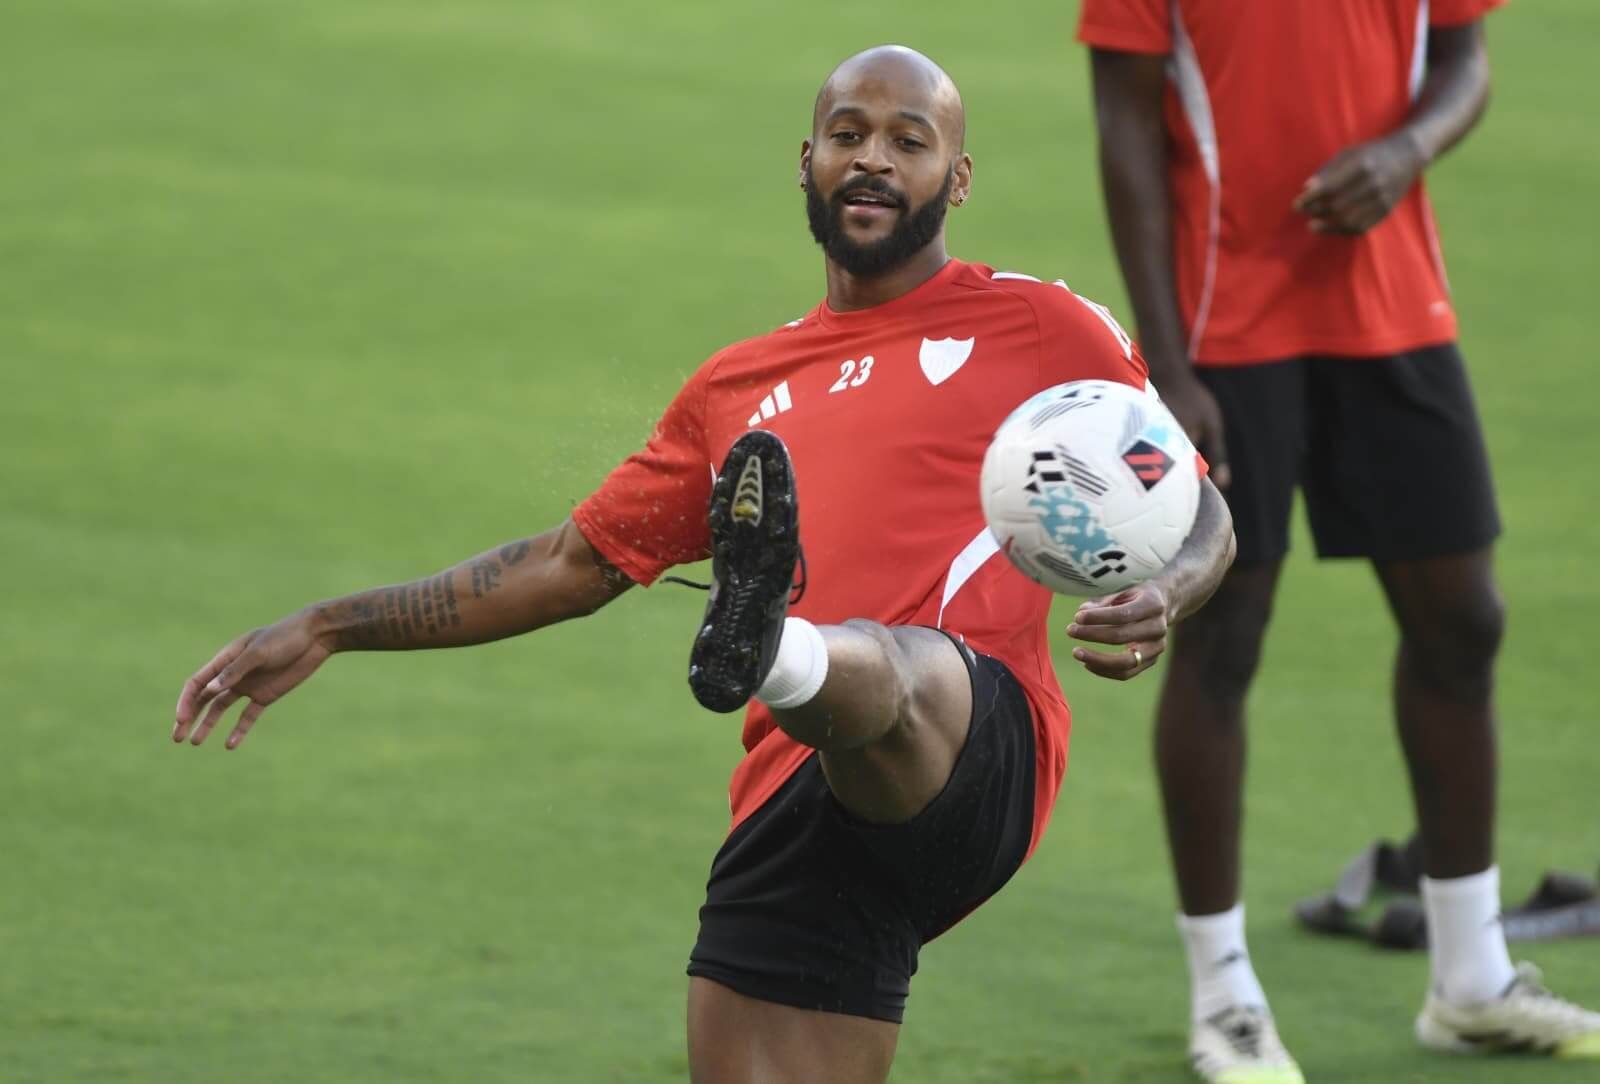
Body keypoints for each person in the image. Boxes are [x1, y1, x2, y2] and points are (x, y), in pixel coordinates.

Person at [172, 45, 1235, 1084]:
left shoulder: (1038, 323)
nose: (871, 158)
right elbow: (560, 563)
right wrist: (329, 624)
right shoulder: (739, 387)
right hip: (798, 797)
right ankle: (777, 652)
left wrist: (1162, 593)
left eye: (907, 142)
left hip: (977, 742)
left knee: (898, 665)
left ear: (953, 179)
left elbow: (1200, 512)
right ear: (805, 161)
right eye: (846, 134)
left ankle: (772, 645)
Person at [1077, 1, 1600, 1080]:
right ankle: (1222, 993)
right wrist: (1166, 366)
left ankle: (1471, 976)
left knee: (1463, 621)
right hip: (1224, 324)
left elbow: (1462, 53)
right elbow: (1121, 118)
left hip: (1392, 306)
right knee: (1225, 637)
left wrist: (1409, 146)